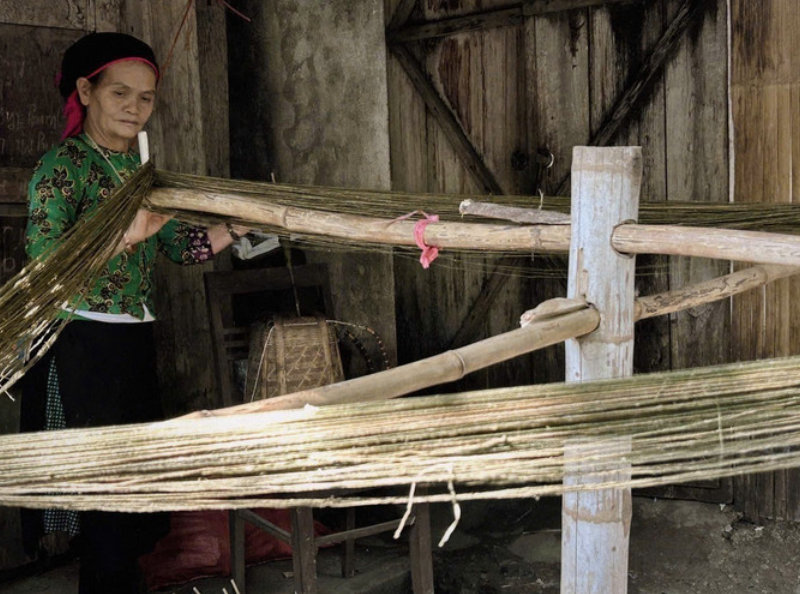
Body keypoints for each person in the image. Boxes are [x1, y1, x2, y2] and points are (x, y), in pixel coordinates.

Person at [20, 32, 248, 594]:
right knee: (100, 497)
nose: (134, 107)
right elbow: (44, 263)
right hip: (80, 343)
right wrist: (126, 235)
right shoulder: (64, 167)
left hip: (132, 340)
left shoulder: (141, 171)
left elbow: (176, 247)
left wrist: (241, 224)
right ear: (86, 91)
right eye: (120, 93)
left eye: (145, 98)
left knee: (133, 492)